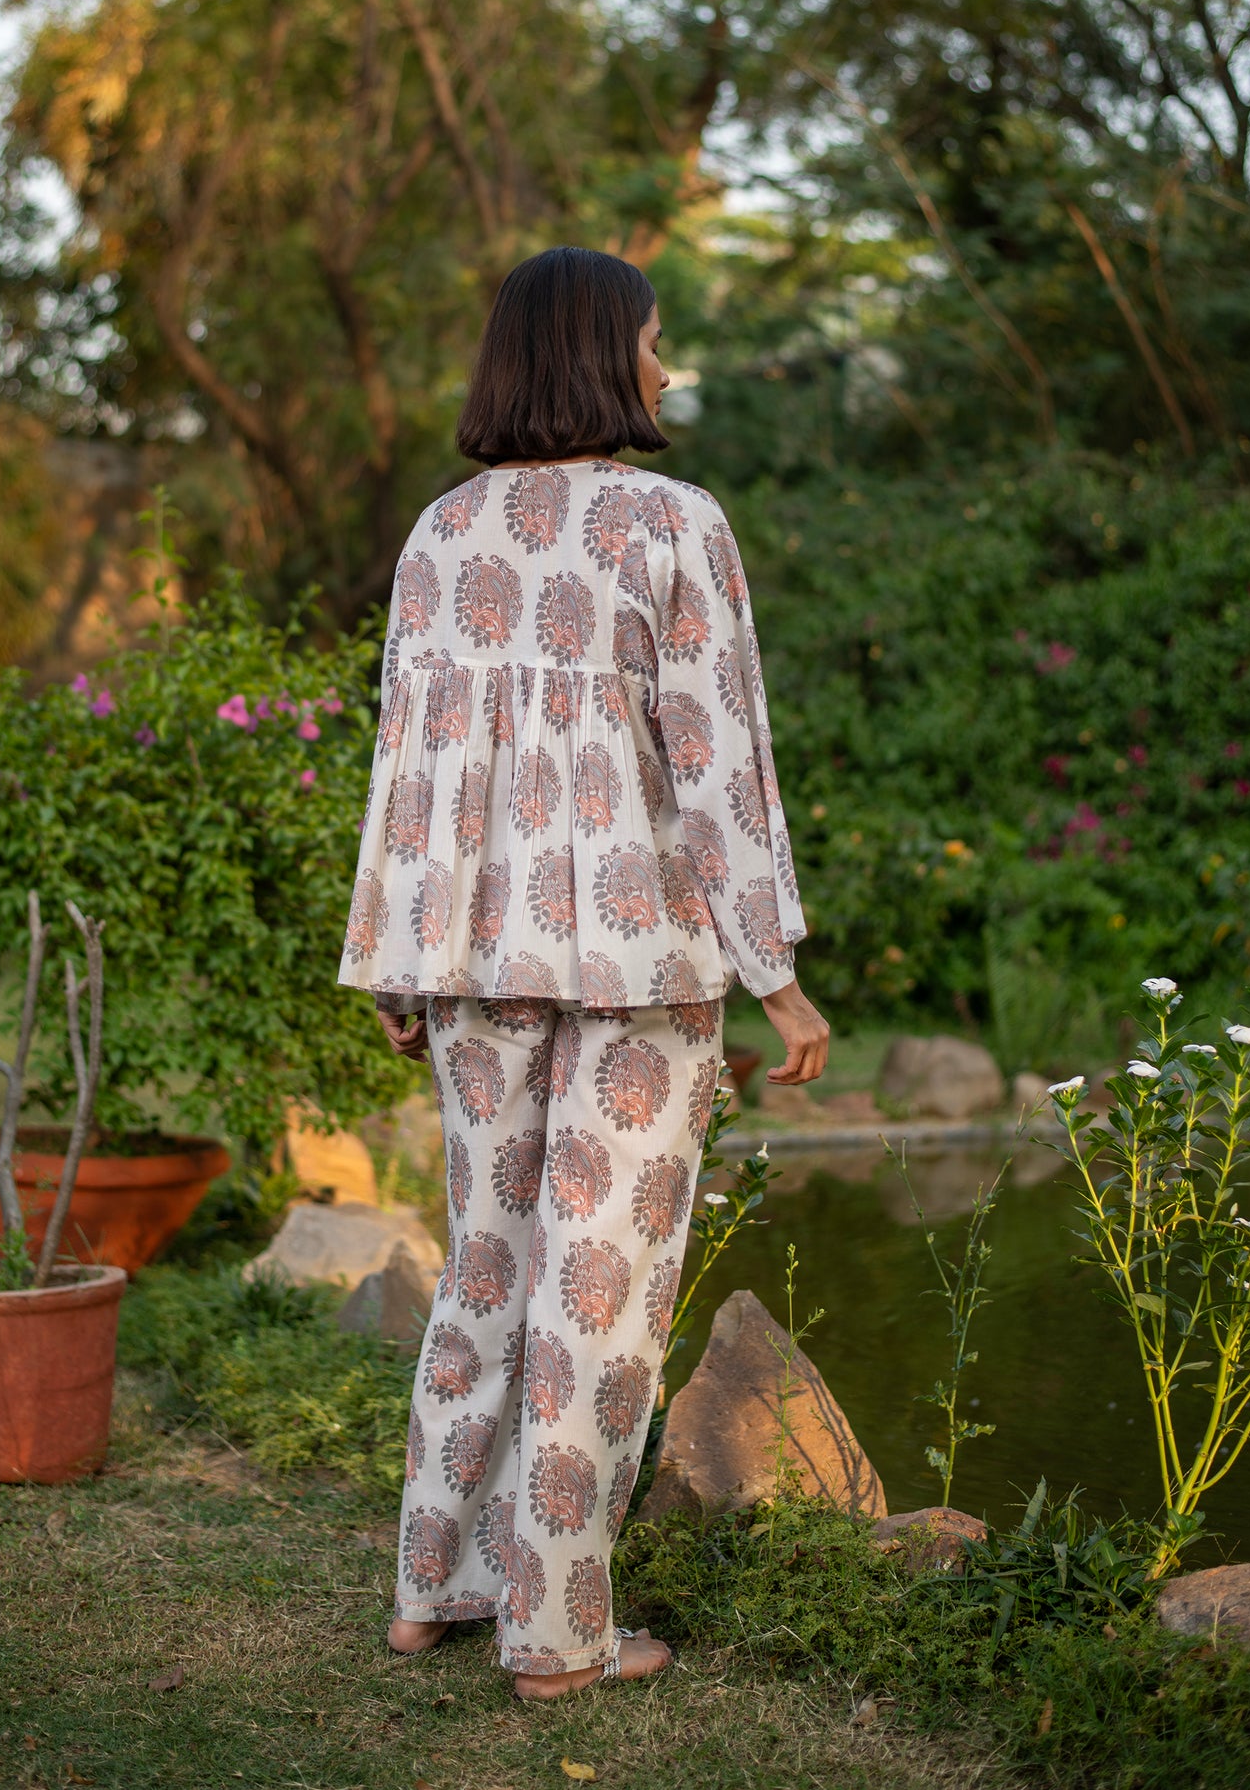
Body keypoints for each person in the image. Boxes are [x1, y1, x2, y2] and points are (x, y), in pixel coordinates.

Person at [337, 244, 829, 1700]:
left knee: (486, 1262)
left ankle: (434, 1585)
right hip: (637, 961)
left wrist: (398, 963)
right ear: (604, 354)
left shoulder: (439, 533)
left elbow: (408, 757)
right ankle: (558, 1635)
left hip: (471, 958)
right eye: (656, 342)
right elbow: (716, 762)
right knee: (596, 1288)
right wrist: (776, 973)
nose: (667, 369)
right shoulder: (672, 524)